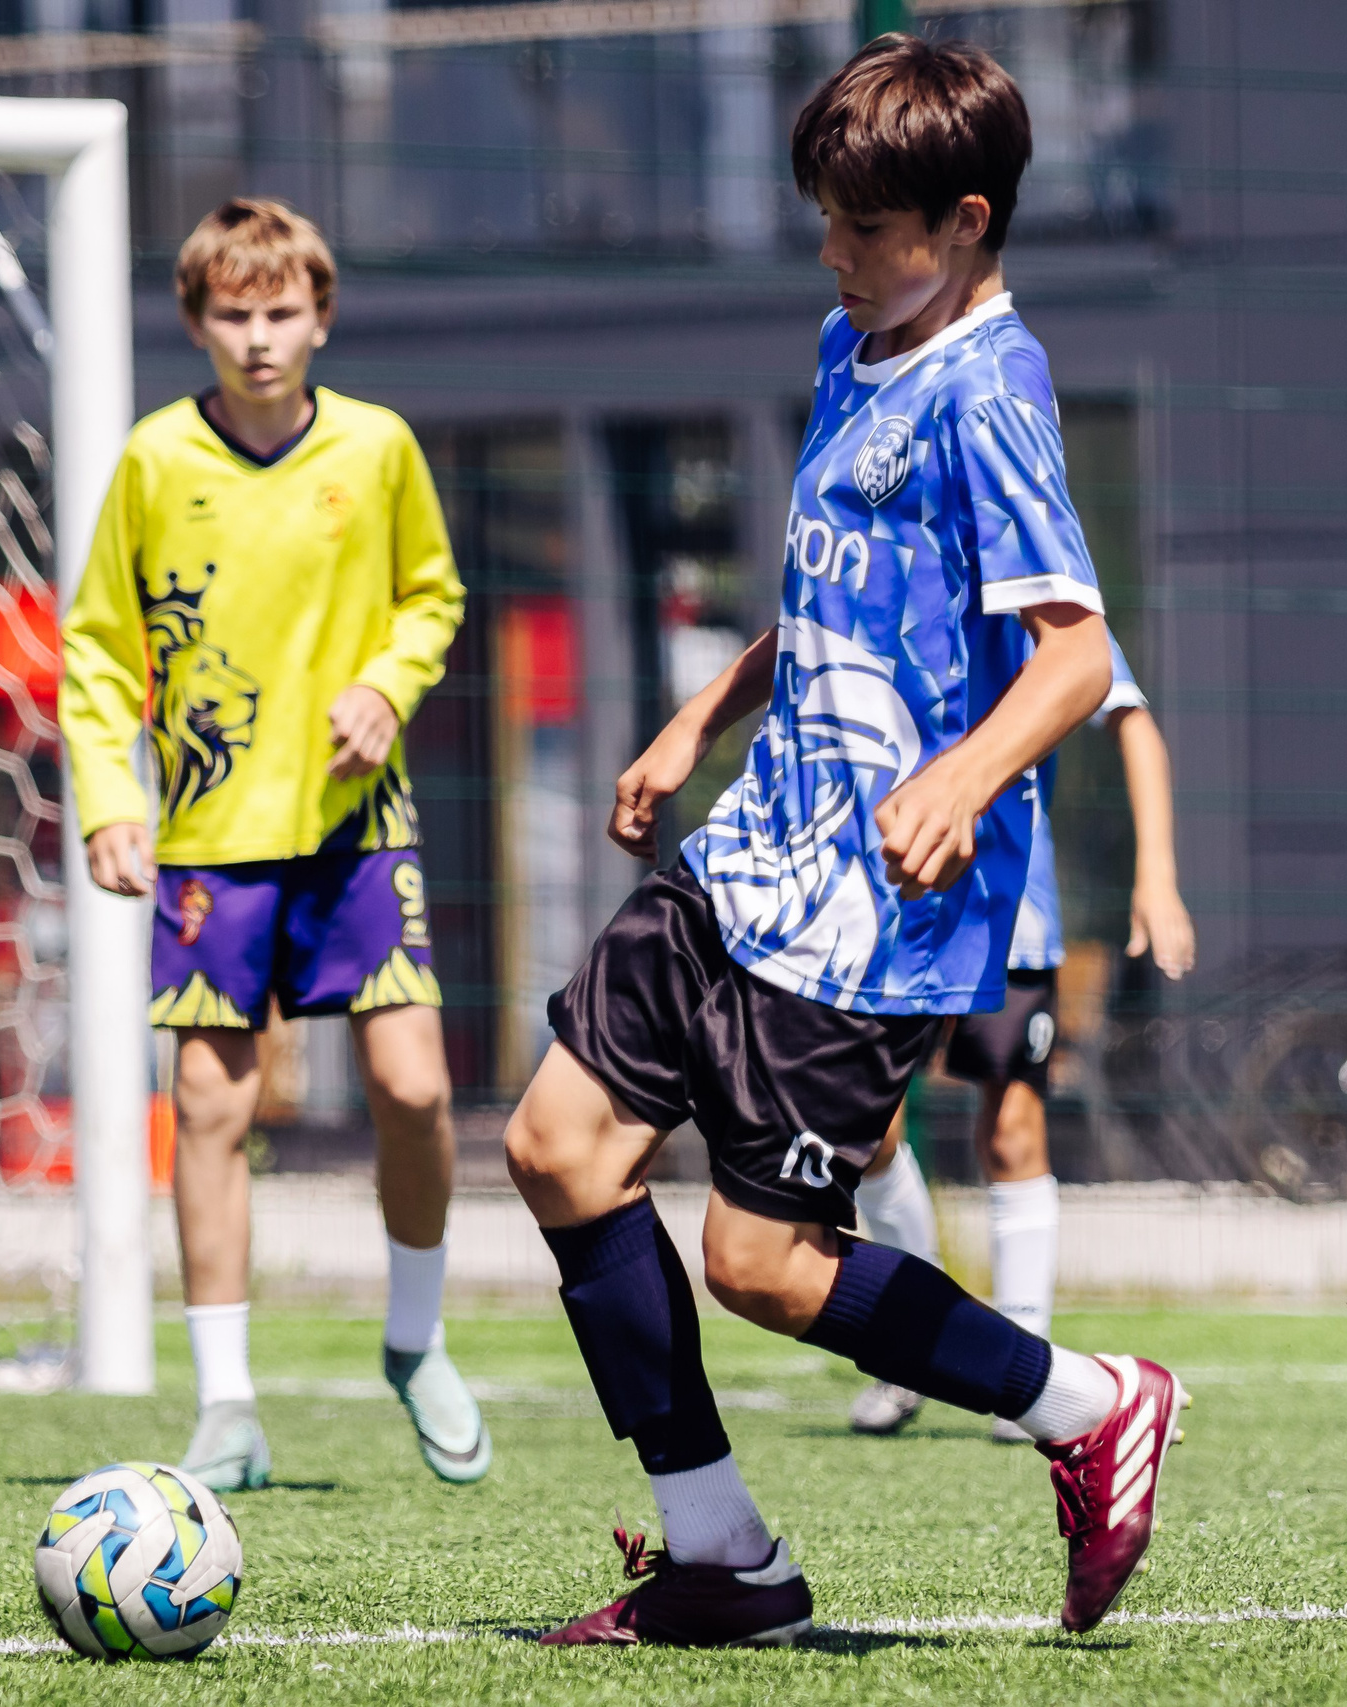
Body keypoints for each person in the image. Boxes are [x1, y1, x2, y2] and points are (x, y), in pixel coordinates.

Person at [501, 37, 1187, 1649]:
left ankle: (1087, 1403)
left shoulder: (994, 392)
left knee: (760, 1259)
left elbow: (1081, 655)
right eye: (822, 220)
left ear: (961, 220)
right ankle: (720, 1551)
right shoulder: (851, 340)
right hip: (753, 849)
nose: (833, 252)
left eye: (863, 229)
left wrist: (963, 774)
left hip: (879, 908)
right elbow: (831, 594)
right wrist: (701, 720)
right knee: (555, 1146)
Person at [59, 200, 487, 1494]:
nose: (259, 337)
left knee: (413, 1085)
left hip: (358, 826)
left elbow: (434, 595)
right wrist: (106, 794)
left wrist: (389, 684)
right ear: (196, 321)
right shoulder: (151, 460)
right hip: (209, 837)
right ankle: (228, 1403)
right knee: (210, 1102)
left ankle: (414, 1340)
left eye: (281, 311)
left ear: (322, 315)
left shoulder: (379, 446)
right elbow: (95, 642)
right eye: (233, 314)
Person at [848, 638, 1196, 1440]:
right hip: (891, 913)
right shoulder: (899, 579)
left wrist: (1157, 876)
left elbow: (1131, 718)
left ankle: (1026, 1363)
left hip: (1008, 920)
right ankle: (913, 1351)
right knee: (868, 1131)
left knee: (1011, 1126)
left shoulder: (1036, 583)